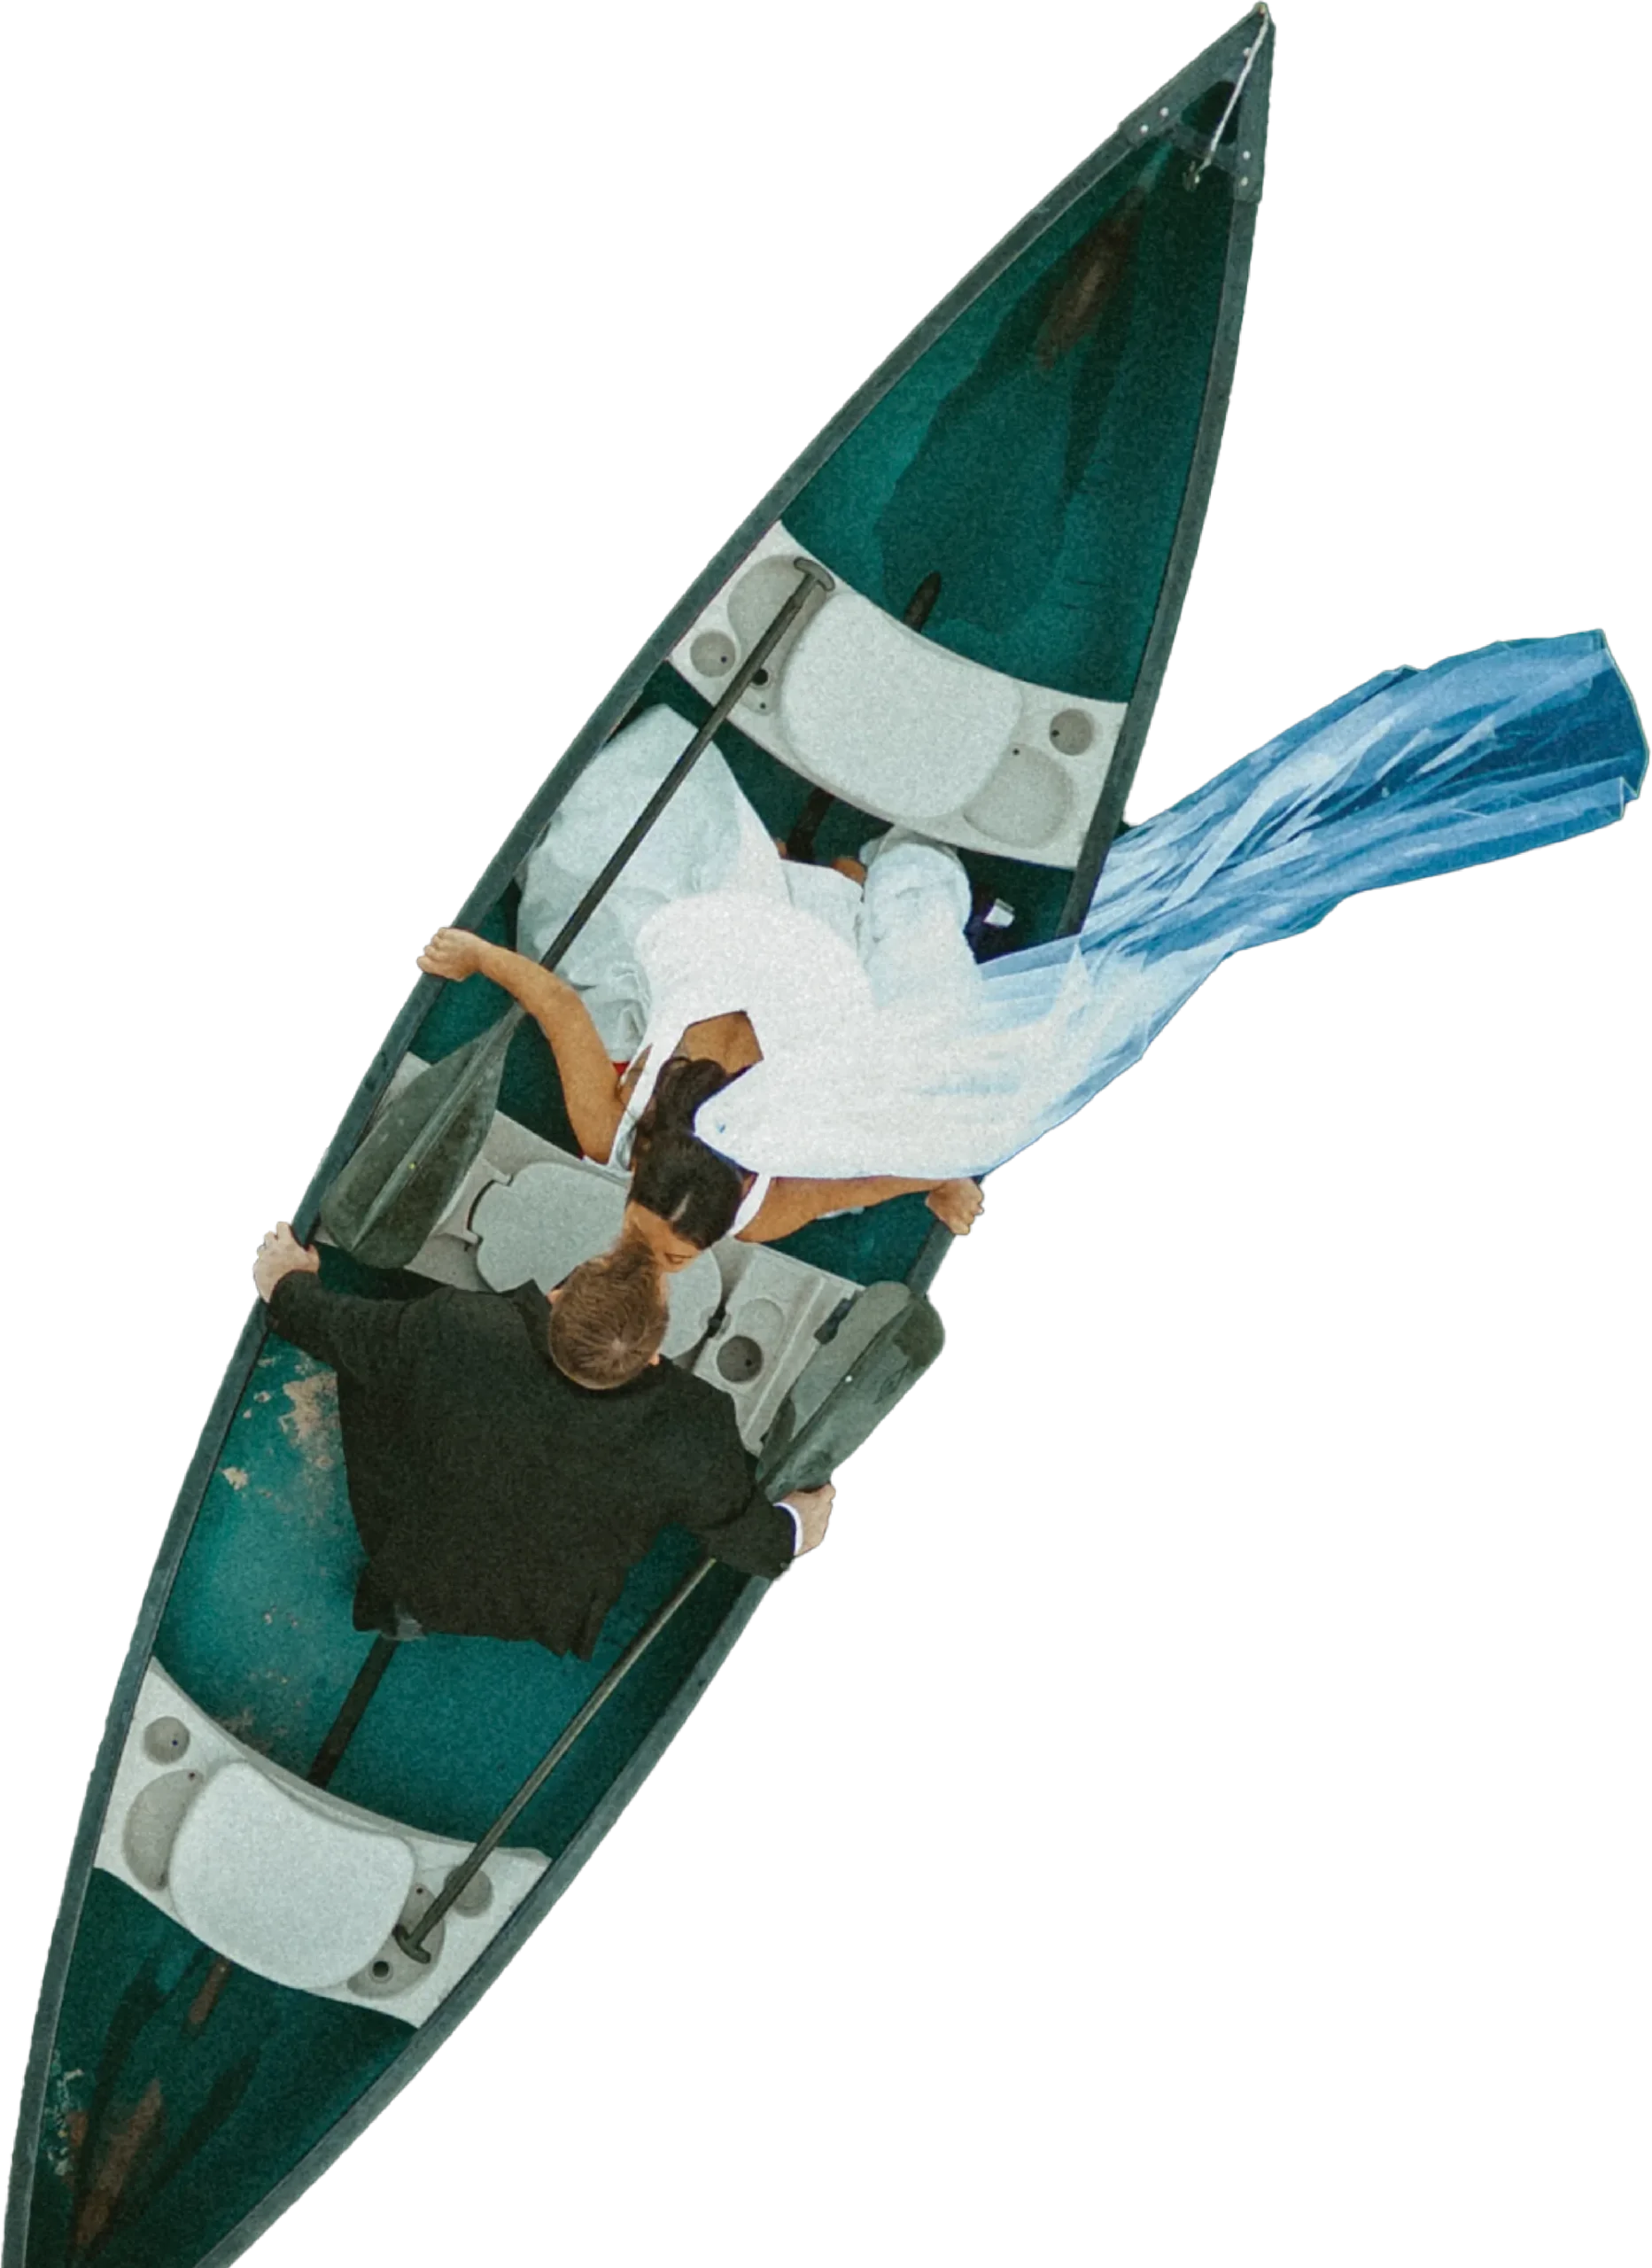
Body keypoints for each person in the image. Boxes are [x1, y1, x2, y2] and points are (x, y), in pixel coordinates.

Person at [480, 631, 1646, 1202]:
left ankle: (939, 893)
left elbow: (831, 1179)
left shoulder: (690, 1171)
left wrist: (935, 1178)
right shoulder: (650, 1152)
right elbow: (562, 1002)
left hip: (884, 1020)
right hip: (874, 997)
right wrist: (478, 956)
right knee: (902, 884)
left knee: (1192, 900)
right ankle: (930, 881)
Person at [251, 1222, 835, 1655]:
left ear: (555, 1301)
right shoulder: (695, 1426)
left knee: (377, 1362)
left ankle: (403, 1611)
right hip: (550, 1610)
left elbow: (326, 1325)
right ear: (654, 1352)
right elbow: (759, 1542)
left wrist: (287, 1280)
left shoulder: (455, 1328)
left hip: (415, 1570)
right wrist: (799, 1521)